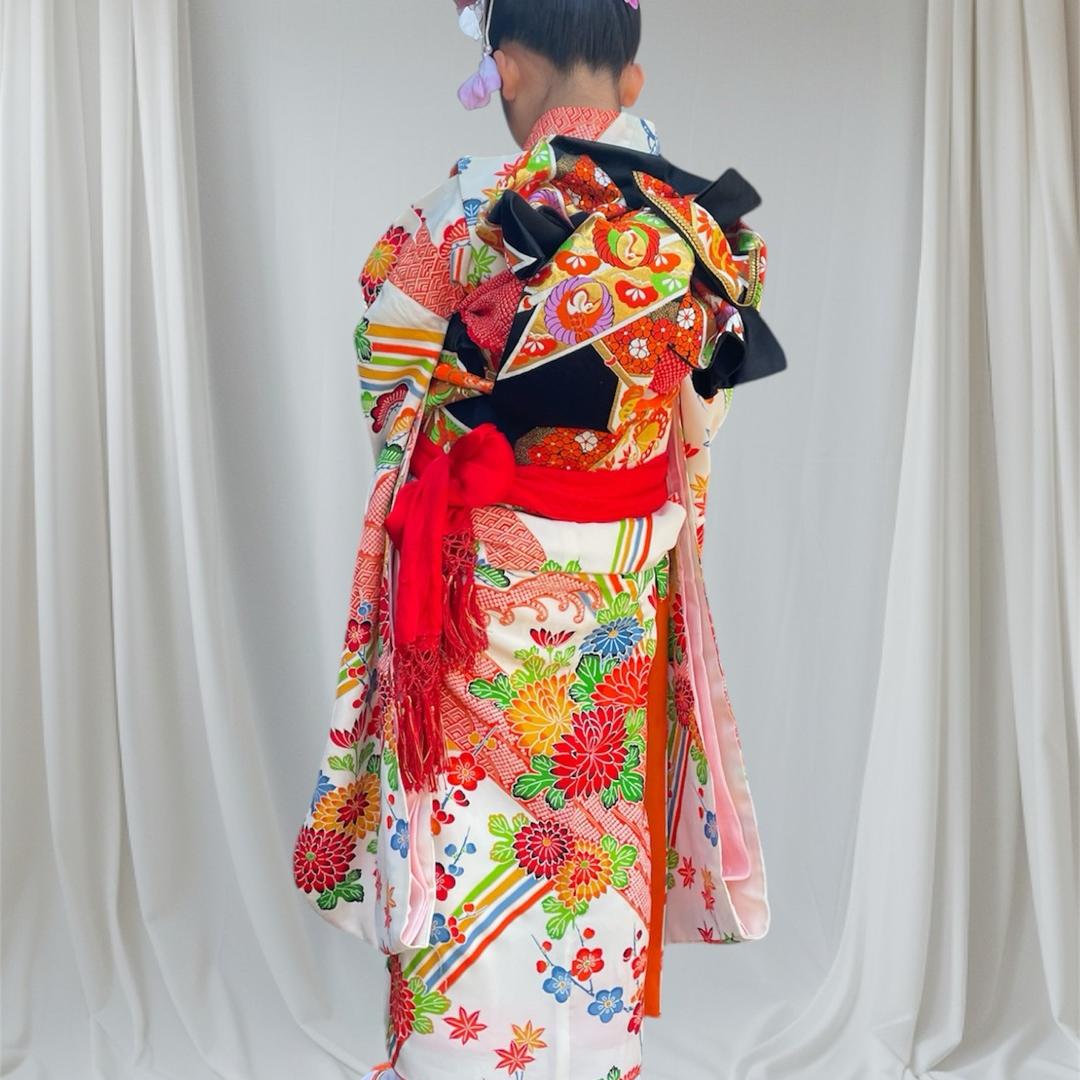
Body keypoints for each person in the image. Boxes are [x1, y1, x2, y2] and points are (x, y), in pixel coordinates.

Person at [291, 2, 786, 1076]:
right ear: (632, 81)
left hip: (472, 608)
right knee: (592, 862)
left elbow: (389, 381)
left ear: (506, 71)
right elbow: (697, 423)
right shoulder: (706, 236)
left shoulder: (464, 216)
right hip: (617, 611)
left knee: (463, 855)